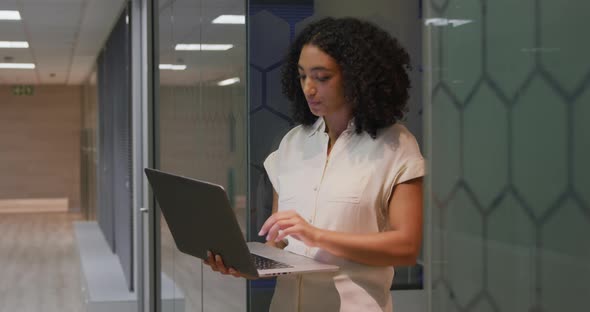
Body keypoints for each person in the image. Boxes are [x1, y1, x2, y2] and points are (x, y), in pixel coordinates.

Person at [205, 17, 424, 312]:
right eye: (302, 76)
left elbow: (406, 247)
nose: (308, 88)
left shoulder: (396, 145)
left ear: (357, 77)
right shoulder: (293, 144)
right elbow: (278, 243)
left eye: (321, 77)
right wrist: (243, 265)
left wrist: (317, 235)